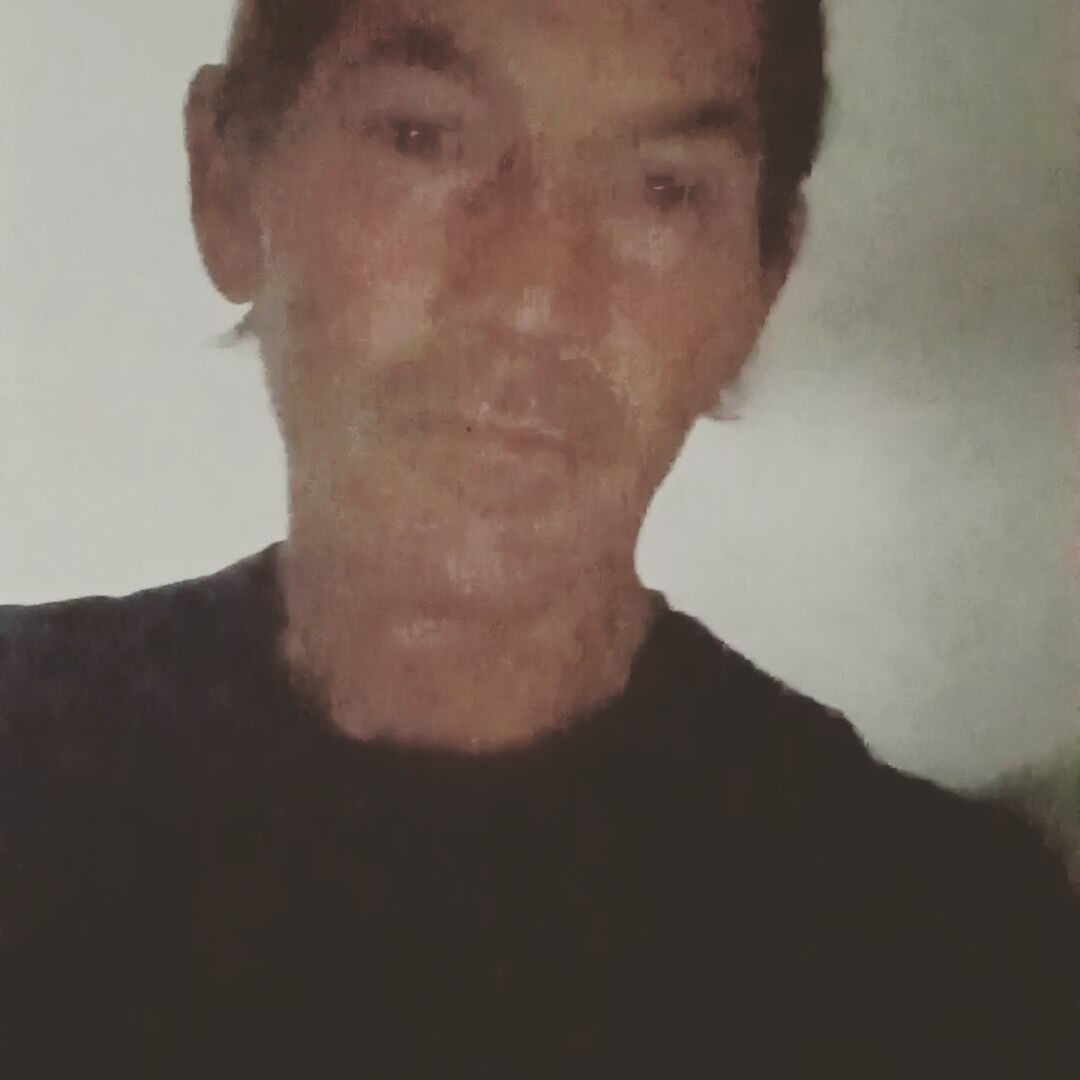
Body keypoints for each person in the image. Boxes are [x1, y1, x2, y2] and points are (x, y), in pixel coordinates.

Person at [1, 1, 1077, 1075]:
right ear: (227, 182)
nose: (533, 295)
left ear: (759, 287)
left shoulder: (943, 948)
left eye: (663, 190)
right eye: (423, 138)